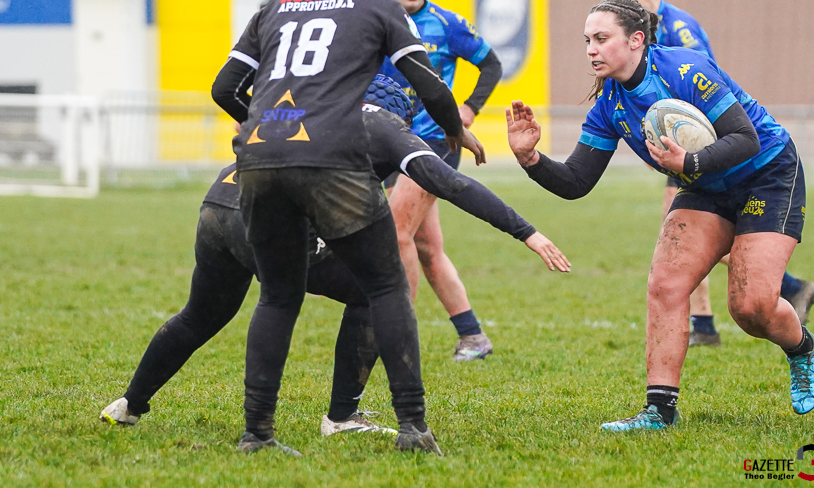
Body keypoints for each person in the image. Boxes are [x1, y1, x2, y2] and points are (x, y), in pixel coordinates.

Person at [100, 77, 569, 440]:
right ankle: (339, 417)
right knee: (372, 289)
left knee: (200, 315)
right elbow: (450, 183)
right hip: (269, 217)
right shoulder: (382, 124)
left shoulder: (314, 102)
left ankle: (129, 404)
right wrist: (526, 231)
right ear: (398, 110)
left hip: (218, 204)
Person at [209, 0, 486, 455]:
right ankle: (412, 427)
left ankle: (256, 433)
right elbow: (427, 85)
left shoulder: (273, 7)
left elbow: (224, 88)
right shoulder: (379, 7)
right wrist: (458, 132)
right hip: (332, 155)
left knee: (278, 295)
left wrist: (265, 126)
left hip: (259, 160)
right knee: (384, 284)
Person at [506, 0, 814, 430]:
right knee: (665, 284)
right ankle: (659, 412)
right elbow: (576, 182)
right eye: (587, 41)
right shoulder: (610, 106)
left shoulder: (683, 68)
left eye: (601, 39)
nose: (591, 50)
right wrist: (530, 158)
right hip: (706, 187)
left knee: (750, 307)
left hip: (766, 173)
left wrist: (688, 165)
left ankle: (803, 349)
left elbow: (745, 138)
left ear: (636, 40)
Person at [611, 0, 814, 347]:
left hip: (709, 153)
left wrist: (691, 150)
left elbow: (708, 94)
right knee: (685, 239)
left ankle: (723, 317)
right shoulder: (628, 35)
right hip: (678, 155)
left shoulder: (681, 30)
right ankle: (710, 320)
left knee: (694, 237)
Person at [378, 0, 504, 362]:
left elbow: (491, 65)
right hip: (387, 143)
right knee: (427, 246)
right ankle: (473, 337)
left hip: (435, 144)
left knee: (396, 232)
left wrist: (467, 110)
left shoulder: (446, 24)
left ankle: (398, 337)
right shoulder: (374, 21)